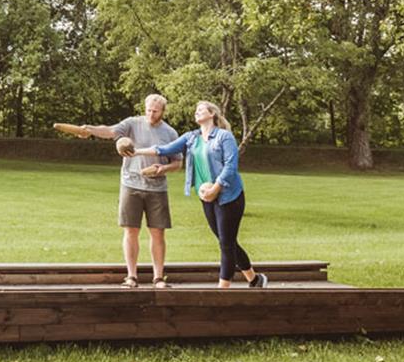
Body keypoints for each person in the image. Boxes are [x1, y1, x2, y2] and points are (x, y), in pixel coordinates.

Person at [127, 100, 268, 289]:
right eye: (195, 110)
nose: (196, 112)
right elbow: (163, 149)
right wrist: (135, 152)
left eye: (200, 109)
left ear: (212, 114)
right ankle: (254, 279)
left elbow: (231, 166)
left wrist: (215, 188)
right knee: (227, 241)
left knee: (226, 243)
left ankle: (222, 290)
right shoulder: (192, 138)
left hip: (229, 196)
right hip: (207, 197)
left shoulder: (224, 137)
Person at [54, 94, 182, 289]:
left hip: (157, 189)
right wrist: (90, 130)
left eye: (155, 111)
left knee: (157, 233)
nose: (151, 113)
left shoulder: (170, 133)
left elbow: (178, 163)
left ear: (163, 111)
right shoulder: (132, 123)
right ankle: (131, 277)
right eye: (148, 109)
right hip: (131, 185)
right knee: (131, 231)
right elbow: (110, 131)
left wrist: (161, 169)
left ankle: (158, 278)